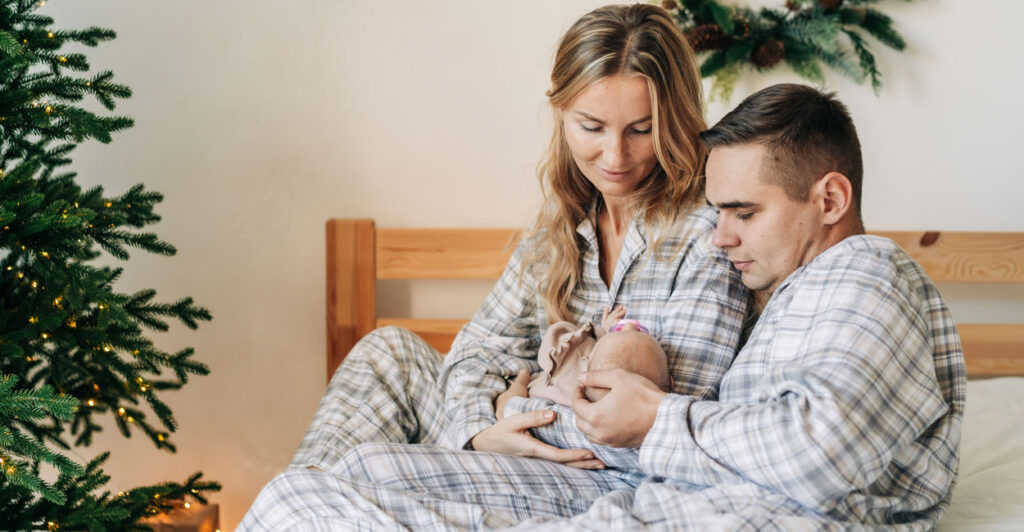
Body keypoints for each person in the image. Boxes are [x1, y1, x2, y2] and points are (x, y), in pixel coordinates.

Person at [240, 4, 749, 530]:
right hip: (519, 436)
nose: (614, 155)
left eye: (641, 130)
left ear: (677, 122)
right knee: (387, 351)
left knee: (357, 471)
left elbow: (662, 426)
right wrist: (479, 429)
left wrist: (511, 414)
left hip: (603, 474)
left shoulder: (708, 236)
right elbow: (476, 349)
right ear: (560, 113)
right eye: (591, 126)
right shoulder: (566, 224)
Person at [525, 83, 965, 529]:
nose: (720, 237)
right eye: (717, 212)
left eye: (745, 213)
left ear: (830, 200)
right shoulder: (792, 297)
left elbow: (820, 454)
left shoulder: (868, 273)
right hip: (680, 505)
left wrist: (657, 416)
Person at [524, 306, 671, 406]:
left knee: (522, 379)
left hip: (530, 392)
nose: (629, 326)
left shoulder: (571, 376)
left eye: (618, 334)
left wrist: (601, 332)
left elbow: (555, 339)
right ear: (670, 382)